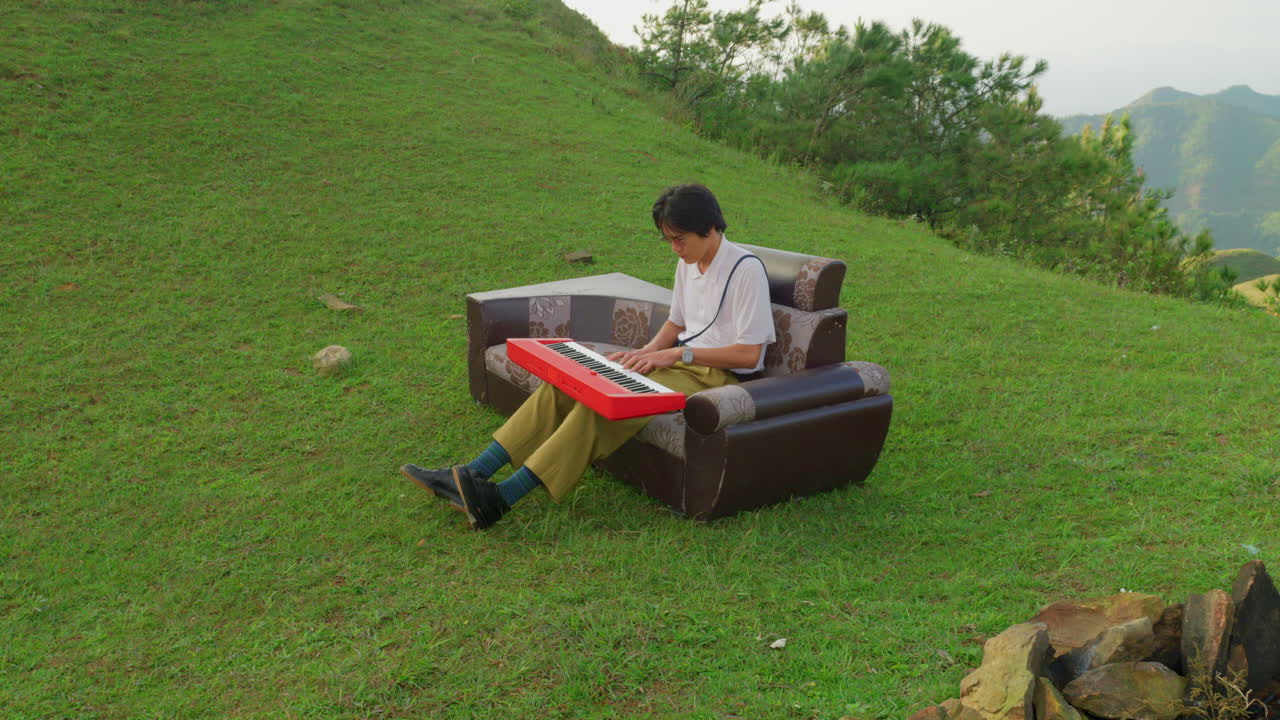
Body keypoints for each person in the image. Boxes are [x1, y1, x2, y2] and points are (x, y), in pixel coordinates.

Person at [400, 183, 775, 530]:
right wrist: (643, 354)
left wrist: (680, 354)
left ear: (709, 227)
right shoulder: (688, 263)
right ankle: (471, 473)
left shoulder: (745, 271)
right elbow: (677, 322)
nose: (675, 249)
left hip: (714, 377)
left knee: (602, 406)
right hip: (681, 362)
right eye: (669, 241)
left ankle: (499, 499)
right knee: (566, 386)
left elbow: (749, 354)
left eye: (680, 239)